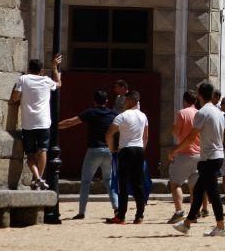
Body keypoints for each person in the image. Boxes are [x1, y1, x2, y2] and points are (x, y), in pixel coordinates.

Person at [171, 81, 225, 237]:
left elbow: (191, 137)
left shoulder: (202, 113)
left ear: (200, 95)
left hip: (209, 157)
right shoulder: (218, 112)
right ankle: (187, 223)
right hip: (215, 156)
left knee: (213, 193)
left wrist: (175, 150)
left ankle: (220, 227)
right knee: (199, 190)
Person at [57, 89, 117, 219]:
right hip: (109, 151)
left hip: (94, 150)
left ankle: (82, 212)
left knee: (85, 182)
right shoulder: (113, 114)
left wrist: (55, 126)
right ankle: (116, 208)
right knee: (109, 181)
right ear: (106, 101)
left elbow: (71, 122)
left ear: (94, 101)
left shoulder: (91, 113)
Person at [10, 55, 62, 190]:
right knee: (43, 150)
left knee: (30, 154)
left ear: (28, 69)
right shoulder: (46, 80)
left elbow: (15, 98)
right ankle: (39, 178)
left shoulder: (23, 79)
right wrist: (55, 68)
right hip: (44, 122)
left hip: (28, 123)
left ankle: (37, 178)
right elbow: (59, 84)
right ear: (41, 71)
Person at [105, 90, 148, 224]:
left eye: (126, 100)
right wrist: (142, 149)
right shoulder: (143, 116)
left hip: (125, 149)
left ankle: (121, 215)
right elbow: (146, 136)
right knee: (138, 183)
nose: (124, 102)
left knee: (122, 183)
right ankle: (139, 214)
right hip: (139, 149)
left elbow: (109, 133)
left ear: (131, 101)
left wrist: (112, 149)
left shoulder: (122, 116)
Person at [166, 90, 200, 224]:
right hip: (199, 153)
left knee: (175, 184)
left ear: (184, 100)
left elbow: (175, 131)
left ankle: (179, 211)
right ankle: (194, 212)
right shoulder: (200, 114)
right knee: (194, 187)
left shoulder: (182, 113)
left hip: (185, 152)